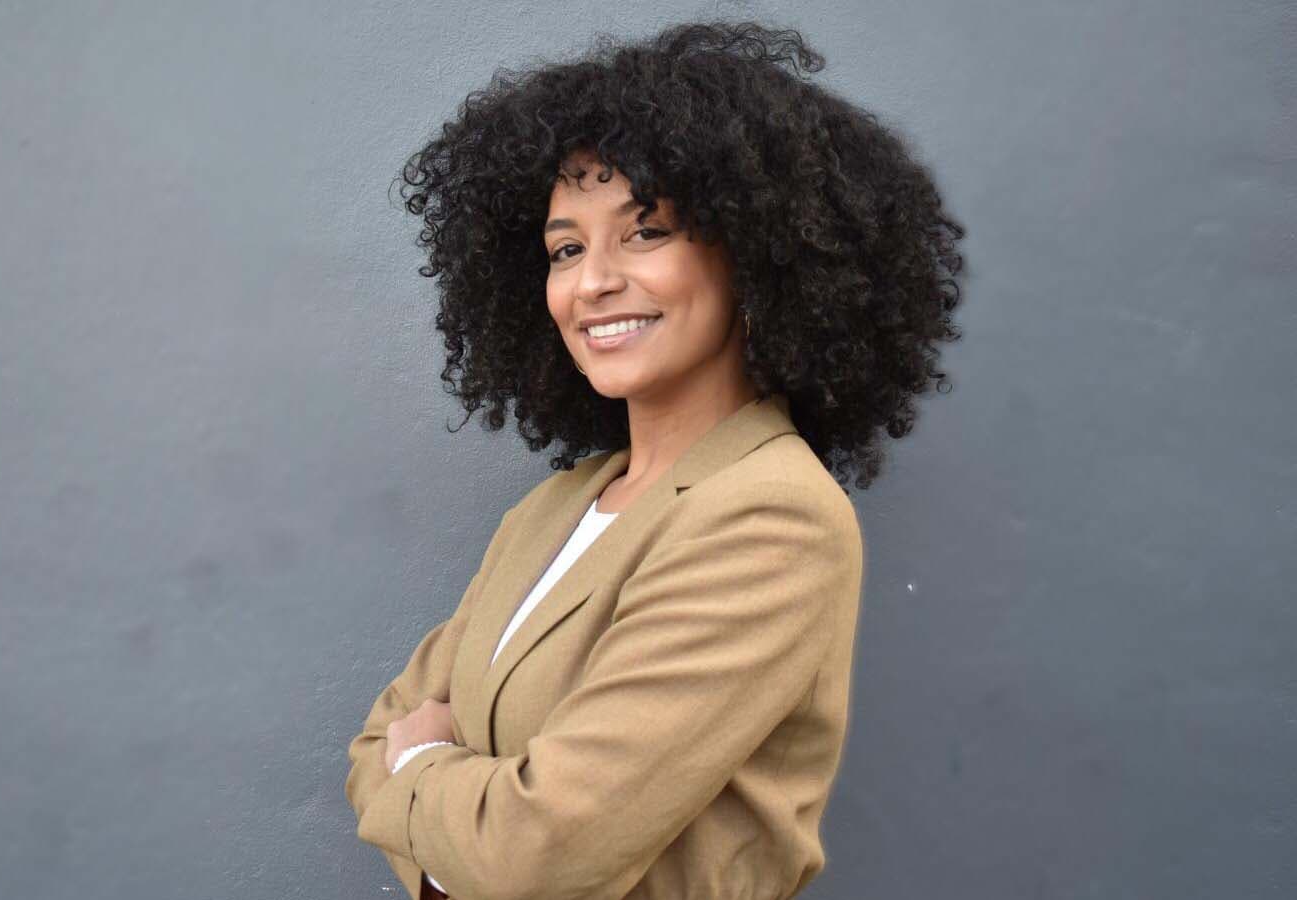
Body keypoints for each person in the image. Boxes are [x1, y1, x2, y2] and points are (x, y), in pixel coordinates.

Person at [344, 19, 965, 900]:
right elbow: (375, 740)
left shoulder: (771, 514)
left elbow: (538, 851)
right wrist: (458, 811)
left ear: (755, 253)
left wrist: (430, 767)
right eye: (565, 249)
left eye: (646, 232)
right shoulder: (557, 509)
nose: (592, 281)